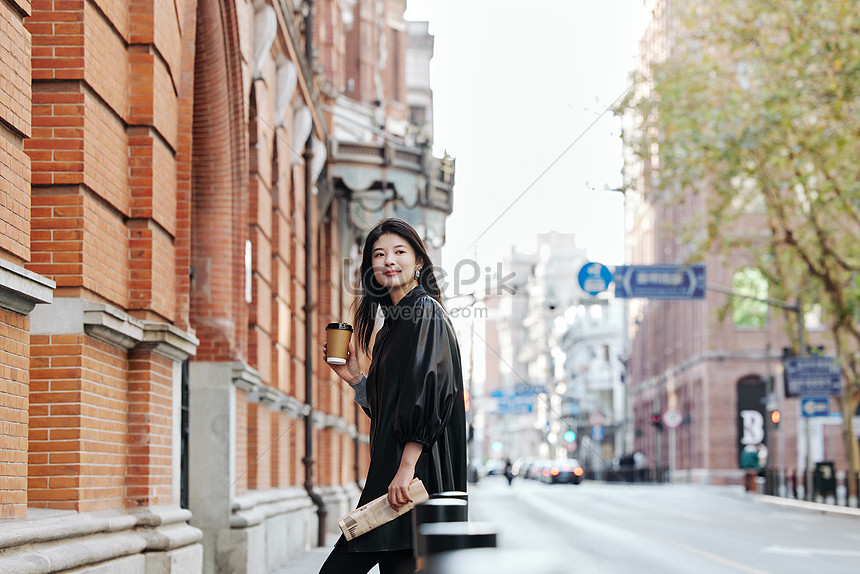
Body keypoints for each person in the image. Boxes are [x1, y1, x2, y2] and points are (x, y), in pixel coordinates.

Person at [319, 218, 467, 574]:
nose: (389, 260)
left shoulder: (425, 312)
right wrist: (355, 378)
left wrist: (406, 468)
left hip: (413, 479)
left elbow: (430, 395)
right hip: (394, 476)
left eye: (399, 252)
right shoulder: (389, 329)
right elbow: (391, 411)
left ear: (418, 261)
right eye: (379, 254)